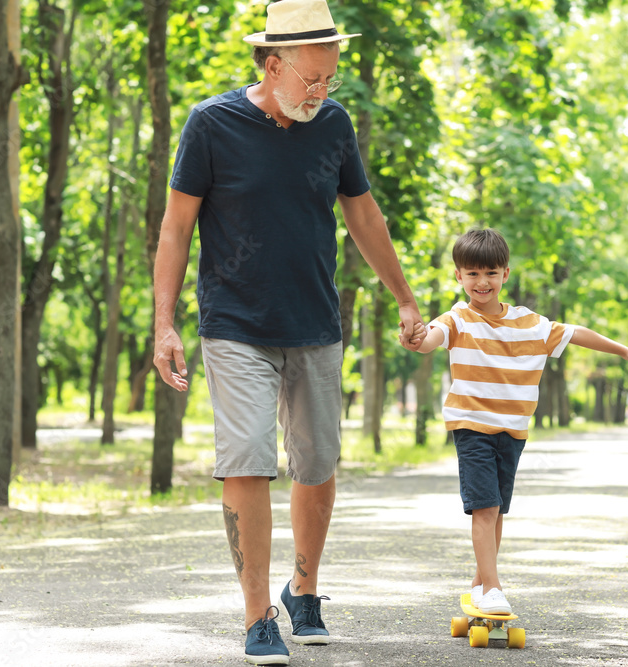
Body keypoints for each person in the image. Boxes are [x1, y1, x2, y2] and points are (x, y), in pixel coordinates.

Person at [152, 0, 424, 664]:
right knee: (247, 456)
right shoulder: (211, 124)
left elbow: (364, 215)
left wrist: (407, 299)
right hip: (234, 322)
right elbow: (176, 228)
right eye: (312, 79)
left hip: (314, 320)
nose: (322, 91)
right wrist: (163, 323)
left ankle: (304, 588)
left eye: (330, 79)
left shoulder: (332, 124)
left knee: (318, 461)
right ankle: (257, 615)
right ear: (274, 65)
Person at [411, 228, 628, 615]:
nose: (482, 282)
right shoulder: (456, 319)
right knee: (485, 508)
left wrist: (625, 351)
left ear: (505, 275)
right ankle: (493, 587)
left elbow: (576, 333)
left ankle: (480, 582)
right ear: (458, 276)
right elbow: (430, 338)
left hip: (512, 431)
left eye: (491, 273)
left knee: (496, 511)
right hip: (472, 426)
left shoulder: (529, 323)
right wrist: (414, 338)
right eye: (473, 274)